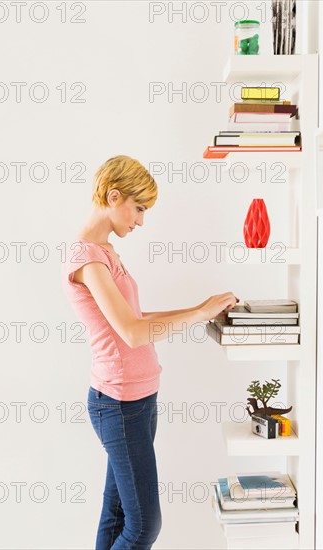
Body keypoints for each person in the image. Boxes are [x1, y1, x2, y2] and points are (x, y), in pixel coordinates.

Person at [62, 155, 238, 550]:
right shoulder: (87, 258)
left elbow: (137, 317)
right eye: (139, 208)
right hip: (119, 404)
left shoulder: (104, 252)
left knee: (119, 515)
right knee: (143, 526)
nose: (141, 221)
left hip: (138, 400)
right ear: (113, 196)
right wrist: (198, 313)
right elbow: (133, 332)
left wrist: (201, 307)